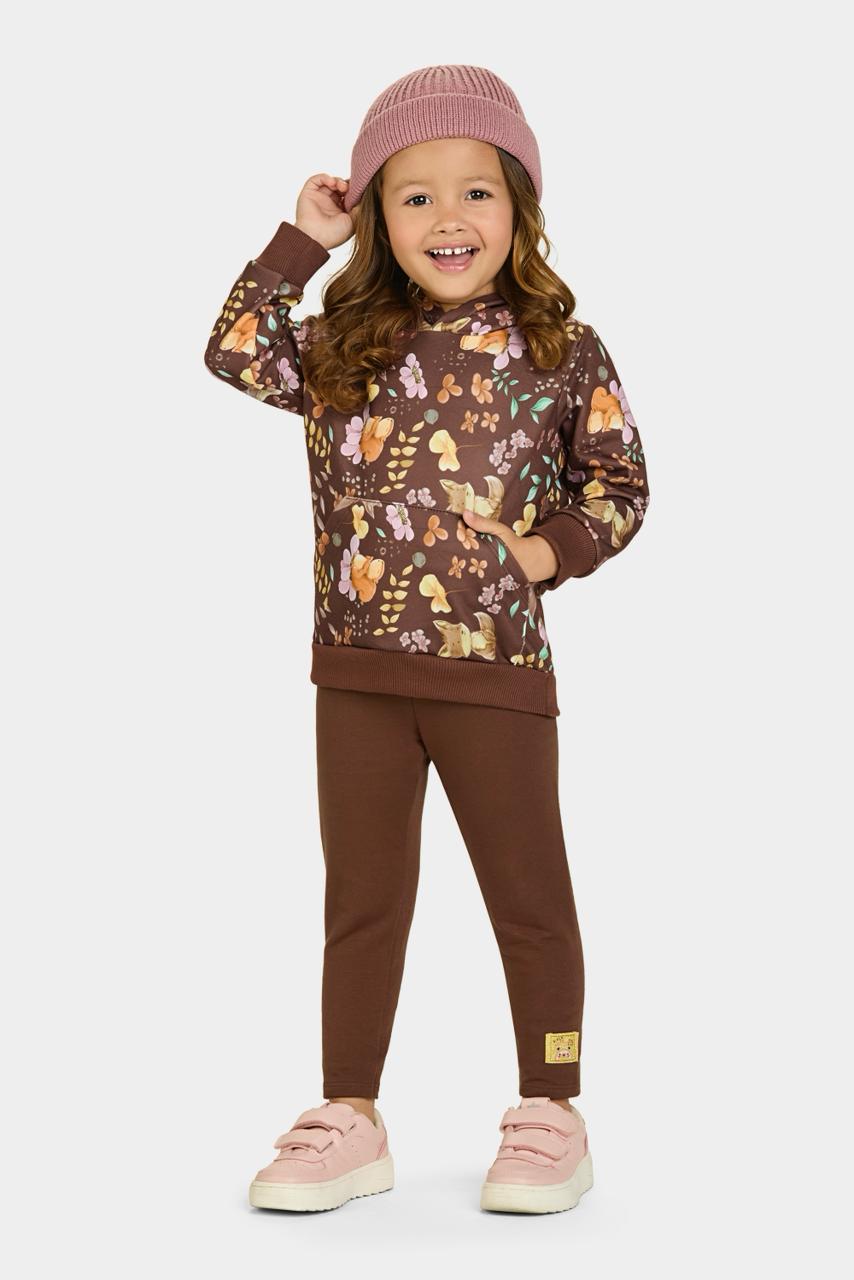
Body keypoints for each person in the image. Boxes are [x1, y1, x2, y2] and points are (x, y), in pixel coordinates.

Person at [203, 64, 651, 1215]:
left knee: (527, 894)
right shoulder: (339, 348)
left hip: (494, 670)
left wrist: (540, 554)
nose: (448, 217)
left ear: (518, 207)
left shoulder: (560, 349)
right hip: (355, 674)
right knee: (360, 900)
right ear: (377, 220)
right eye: (413, 196)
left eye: (475, 191)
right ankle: (348, 1113)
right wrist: (300, 242)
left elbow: (617, 484)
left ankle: (550, 1104)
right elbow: (235, 348)